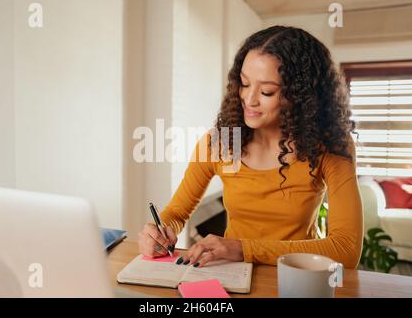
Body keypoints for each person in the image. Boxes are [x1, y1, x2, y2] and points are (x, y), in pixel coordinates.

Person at [137, 26, 363, 269]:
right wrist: (159, 233)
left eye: (267, 91)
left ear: (301, 96)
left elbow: (346, 248)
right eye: (244, 84)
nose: (249, 99)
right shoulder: (224, 142)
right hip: (231, 275)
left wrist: (244, 249)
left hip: (297, 277)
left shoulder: (328, 147)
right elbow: (177, 212)